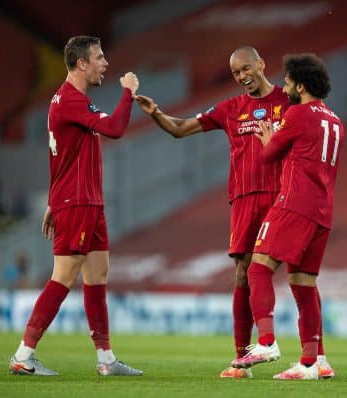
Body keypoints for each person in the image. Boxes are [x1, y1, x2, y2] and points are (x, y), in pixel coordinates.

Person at [136, 46, 335, 379]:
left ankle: (317, 357)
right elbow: (181, 128)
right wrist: (156, 113)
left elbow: (317, 126)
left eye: (245, 69)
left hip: (284, 197)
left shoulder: (291, 102)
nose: (242, 77)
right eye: (235, 73)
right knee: (244, 273)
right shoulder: (231, 109)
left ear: (260, 64)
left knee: (301, 278)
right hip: (245, 199)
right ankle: (243, 359)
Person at [9, 36, 142, 376]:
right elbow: (114, 128)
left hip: (86, 202)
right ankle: (24, 354)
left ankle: (106, 359)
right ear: (82, 64)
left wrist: (54, 201)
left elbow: (59, 157)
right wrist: (128, 91)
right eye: (99, 57)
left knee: (98, 276)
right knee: (63, 277)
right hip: (79, 202)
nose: (105, 63)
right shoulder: (69, 100)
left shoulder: (74, 102)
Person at [229, 53, 344, 380]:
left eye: (290, 81)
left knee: (257, 269)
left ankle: (266, 341)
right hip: (323, 212)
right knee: (303, 284)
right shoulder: (335, 121)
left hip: (294, 203)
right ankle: (312, 363)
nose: (285, 86)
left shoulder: (298, 114)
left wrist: (268, 138)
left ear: (302, 84)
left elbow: (268, 155)